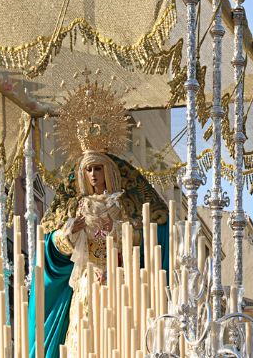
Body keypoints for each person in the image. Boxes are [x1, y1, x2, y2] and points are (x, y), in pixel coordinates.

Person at [28, 82, 169, 358]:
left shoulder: (121, 204)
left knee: (118, 336)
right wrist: (69, 234)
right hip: (87, 279)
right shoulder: (75, 205)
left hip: (118, 280)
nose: (93, 175)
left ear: (108, 171)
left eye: (98, 169)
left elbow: (143, 236)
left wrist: (120, 234)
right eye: (89, 169)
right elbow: (55, 241)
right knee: (84, 332)